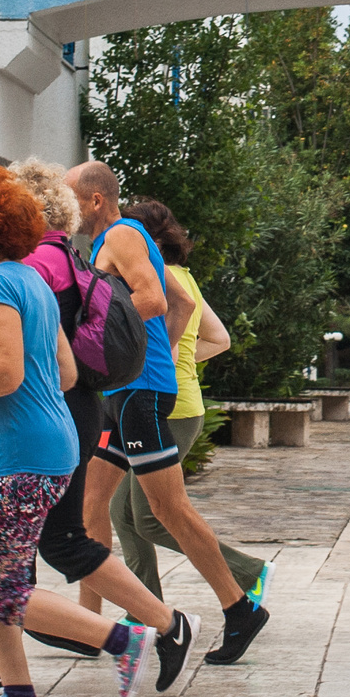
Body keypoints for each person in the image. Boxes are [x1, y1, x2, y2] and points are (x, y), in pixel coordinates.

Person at [0, 170, 164, 697]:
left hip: (22, 457)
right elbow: (68, 370)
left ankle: (121, 639)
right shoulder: (32, 282)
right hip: (48, 449)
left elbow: (4, 373)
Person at [67, 163, 272, 666]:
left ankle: (240, 608)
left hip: (140, 394)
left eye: (70, 196)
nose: (64, 204)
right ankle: (91, 627)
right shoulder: (109, 241)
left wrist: (101, 336)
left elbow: (155, 298)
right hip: (123, 389)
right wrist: (154, 348)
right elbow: (180, 300)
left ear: (95, 200)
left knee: (167, 510)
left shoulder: (120, 234)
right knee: (93, 505)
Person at [102, 198, 258, 606]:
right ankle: (147, 603)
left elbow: (165, 337)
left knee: (150, 516)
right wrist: (180, 359)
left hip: (158, 400)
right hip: (176, 399)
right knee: (123, 511)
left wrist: (164, 357)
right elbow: (219, 339)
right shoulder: (182, 277)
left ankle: (247, 575)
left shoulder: (154, 278)